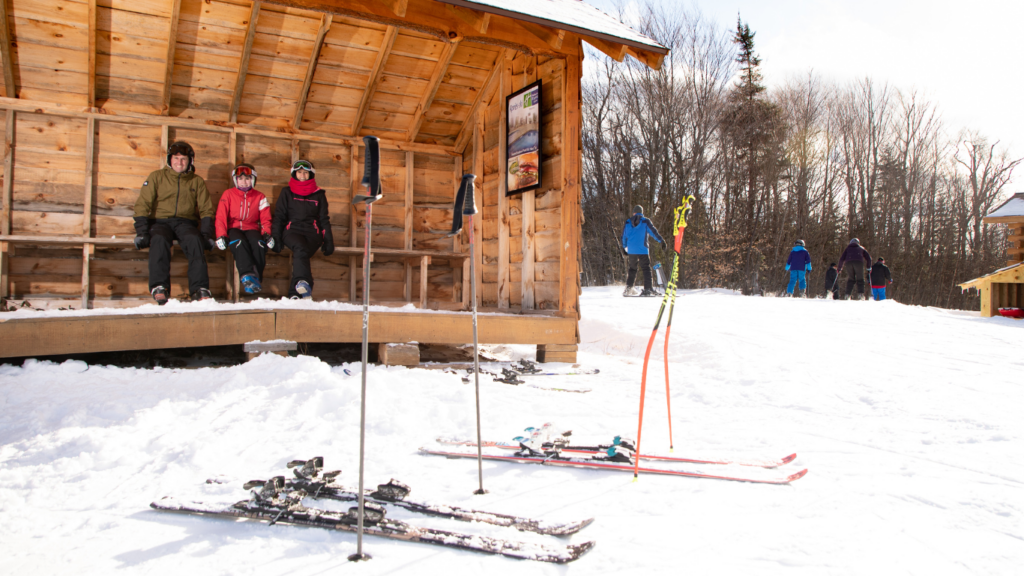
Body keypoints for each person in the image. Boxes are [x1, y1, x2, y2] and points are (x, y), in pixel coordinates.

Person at [133, 141, 215, 305]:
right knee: (159, 240)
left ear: (189, 161)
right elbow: (143, 204)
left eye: (183, 159)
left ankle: (199, 289)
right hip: (160, 222)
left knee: (194, 240)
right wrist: (142, 232)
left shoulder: (196, 181)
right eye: (176, 158)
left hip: (185, 223)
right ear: (170, 160)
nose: (179, 162)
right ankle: (159, 286)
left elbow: (207, 209)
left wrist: (206, 235)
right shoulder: (157, 177)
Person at [271, 160, 334, 299]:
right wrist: (275, 237)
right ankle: (302, 284)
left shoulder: (319, 194)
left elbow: (324, 219)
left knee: (302, 252)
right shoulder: (286, 192)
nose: (303, 175)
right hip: (292, 231)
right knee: (300, 247)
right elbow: (279, 216)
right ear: (295, 174)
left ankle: (298, 294)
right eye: (299, 172)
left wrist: (328, 241)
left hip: (313, 233)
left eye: (306, 172)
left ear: (311, 174)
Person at [215, 163, 273, 295]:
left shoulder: (260, 196)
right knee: (239, 243)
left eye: (247, 178)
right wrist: (221, 235)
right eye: (240, 179)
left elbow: (266, 218)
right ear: (235, 180)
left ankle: (255, 278)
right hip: (233, 227)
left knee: (258, 244)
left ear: (253, 180)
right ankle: (246, 275)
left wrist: (266, 234)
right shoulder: (228, 194)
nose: (243, 182)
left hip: (251, 227)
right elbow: (220, 216)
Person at [620, 205, 666, 296]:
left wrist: (624, 248)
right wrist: (661, 241)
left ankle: (628, 289)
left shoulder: (628, 222)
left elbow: (623, 236)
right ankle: (648, 289)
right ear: (641, 212)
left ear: (634, 212)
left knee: (632, 269)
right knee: (646, 268)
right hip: (643, 249)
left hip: (631, 250)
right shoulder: (645, 221)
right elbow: (654, 232)